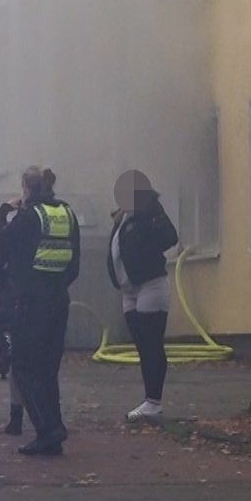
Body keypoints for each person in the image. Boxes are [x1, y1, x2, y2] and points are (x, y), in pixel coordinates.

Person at [4, 166, 80, 457]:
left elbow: (2, 242)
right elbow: (74, 264)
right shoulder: (67, 214)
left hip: (31, 303)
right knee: (48, 369)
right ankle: (53, 431)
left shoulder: (27, 216)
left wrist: (6, 211)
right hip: (59, 299)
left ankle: (47, 430)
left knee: (24, 367)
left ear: (26, 188)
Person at [107, 170, 180, 422]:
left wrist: (149, 215)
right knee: (141, 343)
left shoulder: (149, 213)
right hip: (129, 290)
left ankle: (154, 401)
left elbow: (170, 237)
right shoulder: (122, 217)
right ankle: (150, 399)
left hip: (150, 285)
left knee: (151, 343)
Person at [0, 193, 26, 436]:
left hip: (15, 303)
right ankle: (50, 419)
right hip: (47, 301)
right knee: (43, 365)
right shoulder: (55, 218)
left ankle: (17, 418)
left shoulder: (19, 226)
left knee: (18, 363)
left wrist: (3, 211)